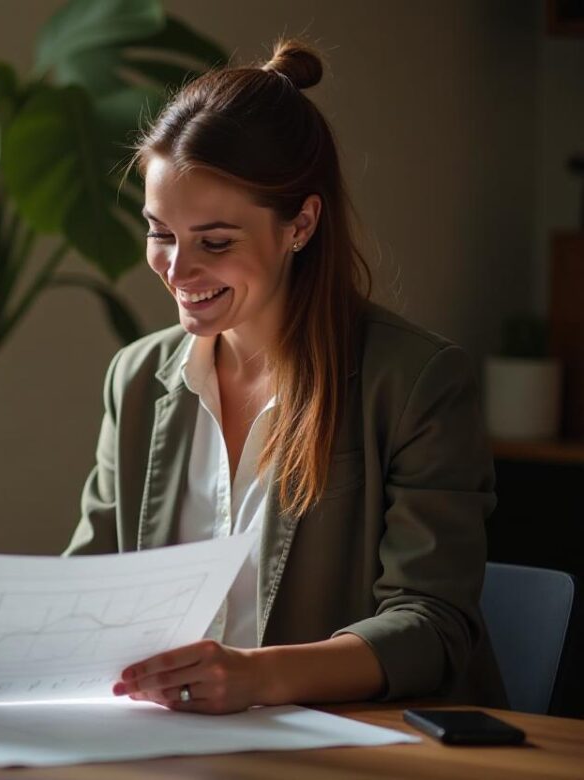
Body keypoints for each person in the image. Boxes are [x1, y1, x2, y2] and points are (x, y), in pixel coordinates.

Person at [66, 40, 506, 713]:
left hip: (349, 747)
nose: (177, 271)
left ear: (300, 223)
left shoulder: (415, 382)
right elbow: (88, 588)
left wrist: (255, 677)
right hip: (170, 745)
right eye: (161, 233)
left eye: (215, 242)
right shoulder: (136, 378)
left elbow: (432, 624)